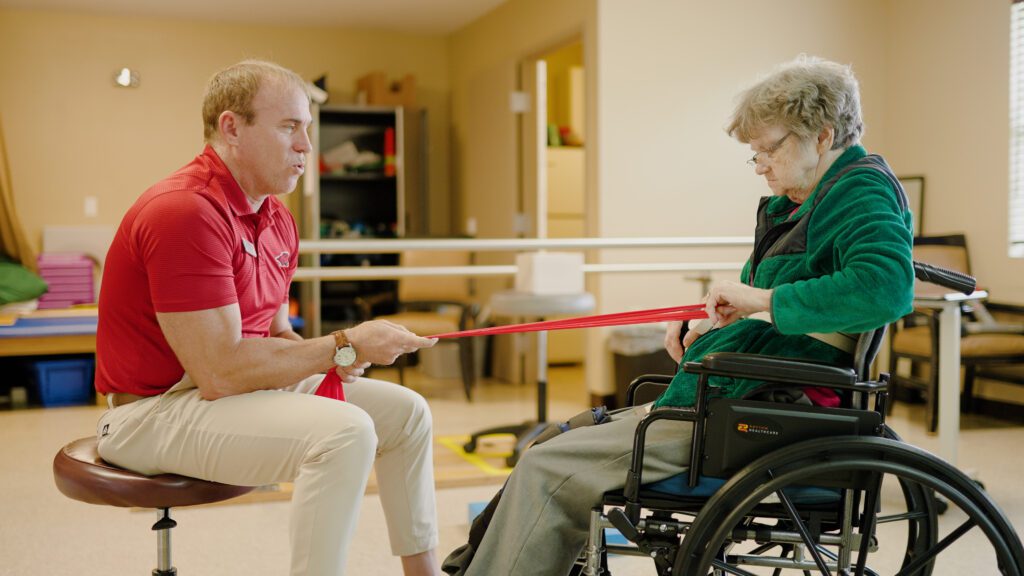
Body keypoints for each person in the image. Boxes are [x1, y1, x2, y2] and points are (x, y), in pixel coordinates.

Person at [442, 55, 915, 576]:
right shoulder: (801, 206)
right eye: (753, 154)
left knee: (546, 466)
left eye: (767, 150)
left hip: (762, 411)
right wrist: (710, 321)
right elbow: (760, 297)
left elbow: (885, 287)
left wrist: (757, 302)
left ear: (822, 136)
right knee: (559, 439)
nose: (760, 166)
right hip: (731, 398)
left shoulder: (860, 191)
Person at [94, 59, 441, 576]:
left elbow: (276, 334)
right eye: (289, 127)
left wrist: (335, 359)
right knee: (345, 432)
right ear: (232, 127)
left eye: (308, 129)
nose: (306, 146)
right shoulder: (185, 210)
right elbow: (220, 372)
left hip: (231, 392)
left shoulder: (276, 218)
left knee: (409, 414)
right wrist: (343, 343)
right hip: (152, 412)